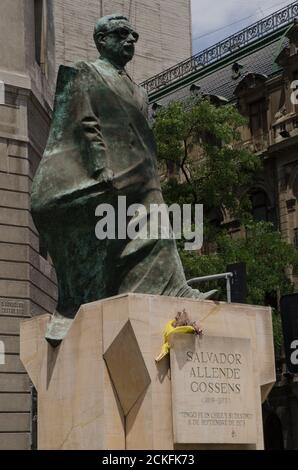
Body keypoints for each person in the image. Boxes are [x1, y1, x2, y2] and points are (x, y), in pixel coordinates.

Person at [31, 14, 216, 345]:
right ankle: (76, 303)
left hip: (141, 176)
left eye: (134, 35)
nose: (130, 40)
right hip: (105, 177)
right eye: (121, 34)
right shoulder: (86, 73)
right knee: (107, 237)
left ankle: (174, 288)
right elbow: (83, 123)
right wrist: (100, 165)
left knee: (159, 227)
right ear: (101, 41)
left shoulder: (138, 91)